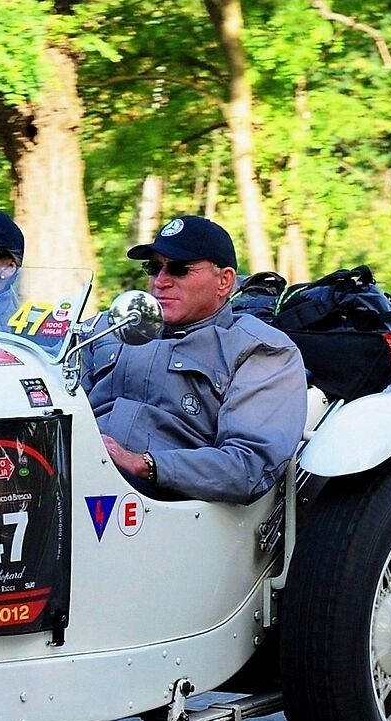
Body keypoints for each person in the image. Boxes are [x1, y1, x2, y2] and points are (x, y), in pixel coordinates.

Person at [87, 214, 306, 504]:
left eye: (178, 269)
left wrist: (144, 464)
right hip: (74, 473)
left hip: (165, 502)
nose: (160, 282)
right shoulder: (111, 326)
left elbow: (249, 465)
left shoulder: (259, 349)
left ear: (224, 281)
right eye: (153, 268)